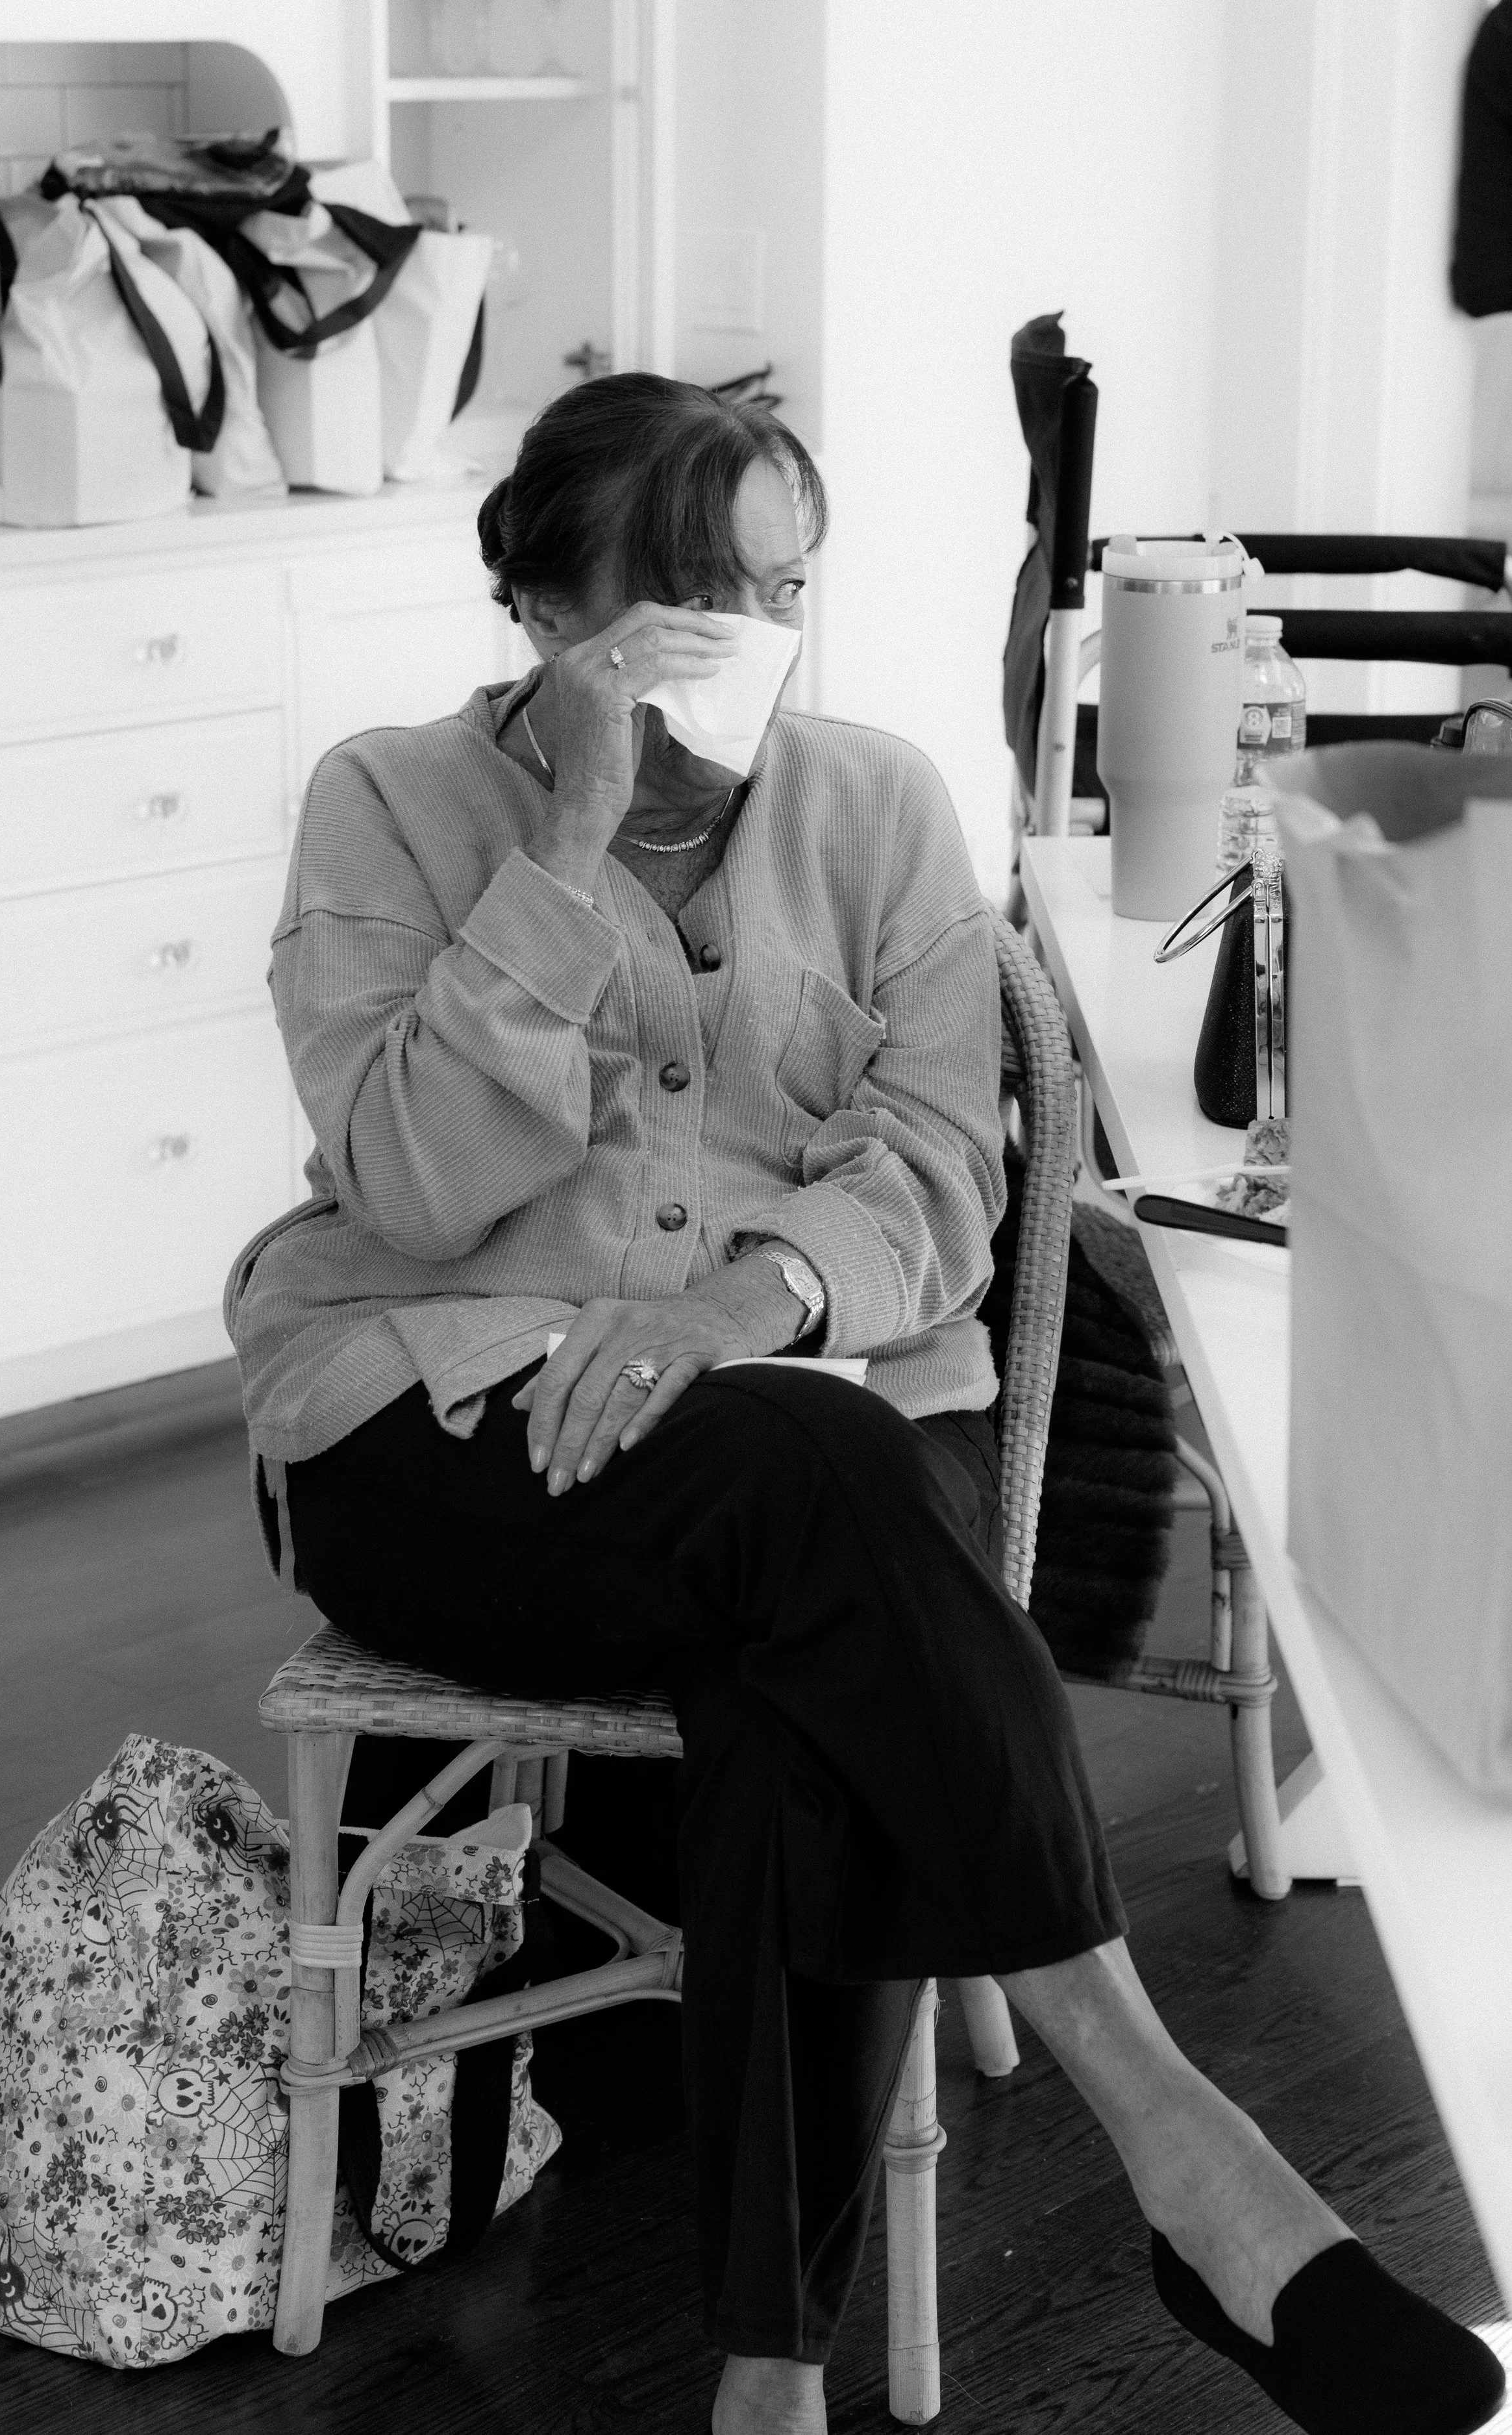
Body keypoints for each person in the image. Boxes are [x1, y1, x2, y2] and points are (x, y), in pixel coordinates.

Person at [225, 374, 1502, 2435]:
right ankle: (1175, 2135)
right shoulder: (384, 802)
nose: (752, 636)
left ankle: (770, 2376)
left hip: (789, 1431)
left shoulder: (878, 807)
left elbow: (938, 1170)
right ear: (541, 609)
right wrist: (560, 846)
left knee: (800, 1641)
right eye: (693, 598)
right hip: (431, 1425)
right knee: (831, 1495)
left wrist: (758, 1291)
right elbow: (409, 1183)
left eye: (783, 588)